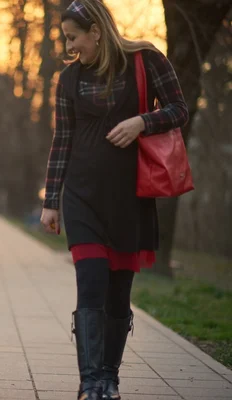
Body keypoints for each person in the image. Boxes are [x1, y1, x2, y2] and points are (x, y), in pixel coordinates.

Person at [39, 1, 188, 399]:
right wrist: (51, 200)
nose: (71, 47)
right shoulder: (69, 79)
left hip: (130, 199)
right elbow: (62, 140)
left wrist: (143, 121)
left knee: (119, 293)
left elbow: (179, 110)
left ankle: (109, 378)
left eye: (74, 38)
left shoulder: (146, 60)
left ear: (97, 32)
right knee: (90, 283)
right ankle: (90, 383)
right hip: (82, 197)